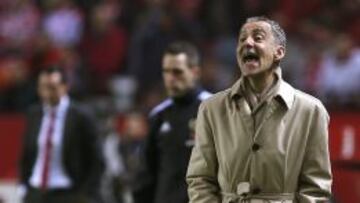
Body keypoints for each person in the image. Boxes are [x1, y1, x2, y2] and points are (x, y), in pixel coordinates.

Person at [186, 16, 332, 203]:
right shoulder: (211, 109)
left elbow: (316, 189)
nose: (247, 42)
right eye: (242, 39)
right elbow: (200, 180)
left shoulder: (311, 111)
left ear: (279, 52)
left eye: (258, 37)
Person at [133, 41, 212, 203]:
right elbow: (147, 174)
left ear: (195, 72)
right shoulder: (159, 116)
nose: (170, 78)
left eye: (177, 72)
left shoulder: (216, 110)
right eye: (166, 72)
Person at [19, 66, 104, 203]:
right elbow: (27, 154)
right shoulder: (34, 114)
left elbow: (97, 160)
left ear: (65, 87)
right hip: (36, 192)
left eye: (51, 87)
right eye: (42, 87)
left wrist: (87, 194)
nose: (46, 92)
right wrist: (23, 185)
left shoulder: (81, 116)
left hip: (68, 193)